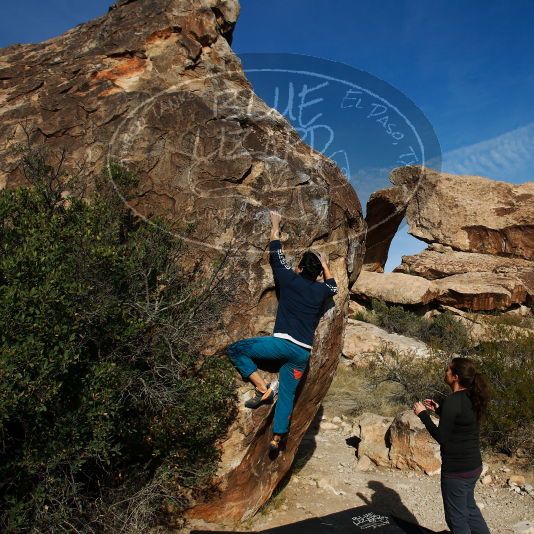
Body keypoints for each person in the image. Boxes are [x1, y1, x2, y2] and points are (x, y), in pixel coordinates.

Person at [226, 209, 337, 455]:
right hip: (302, 354)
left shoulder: (288, 279)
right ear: (317, 274)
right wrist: (326, 266)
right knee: (287, 394)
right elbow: (333, 287)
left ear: (298, 267)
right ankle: (277, 438)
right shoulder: (321, 291)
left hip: (282, 345)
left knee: (235, 349)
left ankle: (262, 388)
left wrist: (275, 224)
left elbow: (275, 251)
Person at [413, 357, 491, 534]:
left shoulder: (453, 401)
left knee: (456, 518)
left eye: (448, 370)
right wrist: (440, 410)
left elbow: (442, 438)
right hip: (473, 466)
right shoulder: (473, 396)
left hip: (457, 471)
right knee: (470, 509)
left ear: (455, 376)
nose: (445, 373)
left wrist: (423, 415)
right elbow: (462, 419)